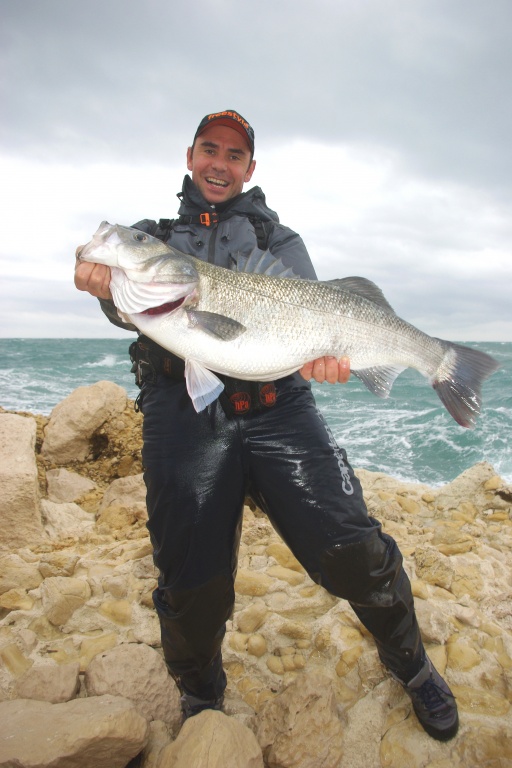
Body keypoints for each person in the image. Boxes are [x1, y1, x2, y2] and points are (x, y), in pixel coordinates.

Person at [75, 109, 459, 740]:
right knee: (190, 575)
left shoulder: (279, 244)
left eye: (233, 154)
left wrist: (333, 360)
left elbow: (311, 324)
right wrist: (96, 276)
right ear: (190, 156)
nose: (219, 163)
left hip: (279, 407)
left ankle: (412, 665)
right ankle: (201, 694)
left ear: (250, 168)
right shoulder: (155, 237)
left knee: (351, 547)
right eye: (209, 149)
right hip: (184, 413)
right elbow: (120, 289)